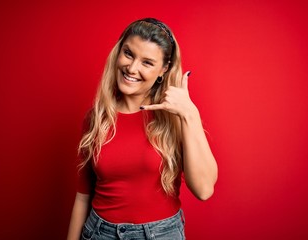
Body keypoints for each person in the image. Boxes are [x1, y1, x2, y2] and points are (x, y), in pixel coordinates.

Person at [67, 18, 218, 240]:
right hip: (100, 233)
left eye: (147, 62)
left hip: (161, 234)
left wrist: (190, 114)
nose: (132, 68)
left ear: (163, 70)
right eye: (128, 54)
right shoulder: (97, 118)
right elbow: (82, 196)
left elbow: (204, 190)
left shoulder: (176, 117)